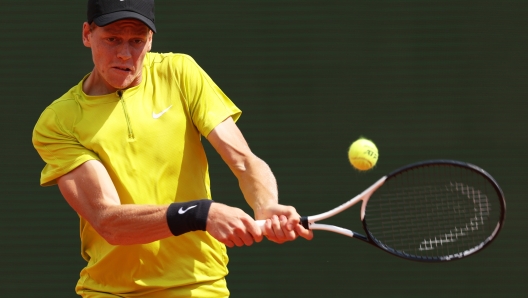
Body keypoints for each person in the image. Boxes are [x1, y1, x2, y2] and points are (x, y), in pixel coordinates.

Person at [32, 0, 312, 297]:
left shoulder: (180, 73)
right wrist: (200, 213)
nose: (125, 53)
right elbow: (109, 221)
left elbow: (243, 160)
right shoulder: (59, 122)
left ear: (150, 40)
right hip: (111, 291)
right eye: (112, 39)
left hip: (199, 286)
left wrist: (266, 204)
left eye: (136, 40)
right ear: (87, 34)